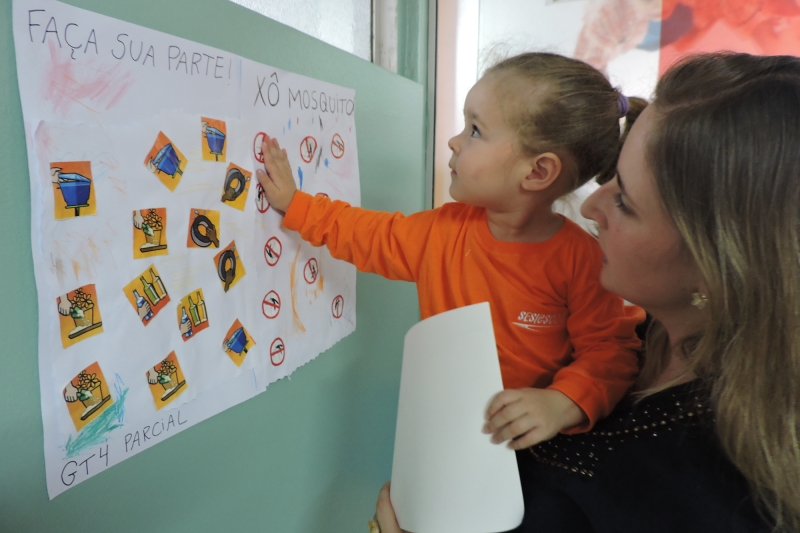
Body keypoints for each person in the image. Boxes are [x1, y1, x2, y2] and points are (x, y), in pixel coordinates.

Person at [372, 52, 800, 533]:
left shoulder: (705, 497)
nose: (592, 205)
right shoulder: (643, 333)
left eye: (625, 202)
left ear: (716, 264)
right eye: (612, 176)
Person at [257, 52, 646, 448]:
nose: (454, 141)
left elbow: (611, 353)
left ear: (537, 172)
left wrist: (559, 403)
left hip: (537, 453)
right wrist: (296, 203)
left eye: (475, 130)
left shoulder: (583, 260)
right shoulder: (442, 232)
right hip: (450, 436)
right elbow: (369, 235)